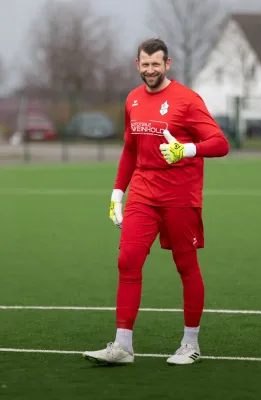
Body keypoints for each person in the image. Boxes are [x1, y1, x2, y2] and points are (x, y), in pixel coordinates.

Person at [83, 38, 230, 366]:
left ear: (168, 63)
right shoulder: (133, 99)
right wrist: (116, 194)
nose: (150, 70)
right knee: (128, 260)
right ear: (138, 64)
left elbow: (220, 144)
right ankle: (123, 346)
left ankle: (190, 344)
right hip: (143, 195)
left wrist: (185, 150)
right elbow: (130, 150)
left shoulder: (188, 100)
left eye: (156, 64)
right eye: (145, 64)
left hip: (180, 198)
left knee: (186, 267)